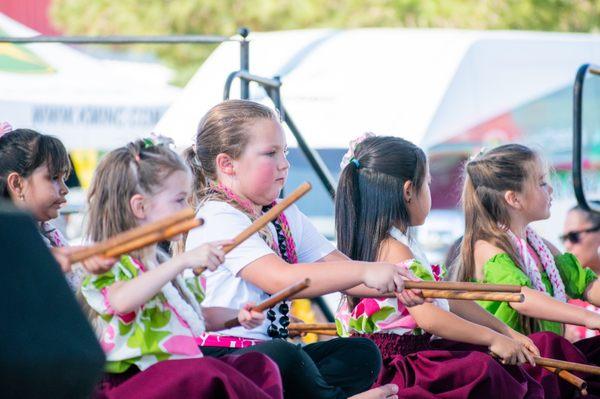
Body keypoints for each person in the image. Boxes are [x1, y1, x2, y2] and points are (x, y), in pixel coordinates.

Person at [185, 99, 411, 399]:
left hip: (268, 359)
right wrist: (366, 270)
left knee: (360, 353)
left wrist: (400, 284)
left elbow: (338, 268)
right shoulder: (216, 215)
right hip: (223, 356)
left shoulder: (281, 212)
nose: (284, 164)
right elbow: (281, 279)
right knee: (284, 356)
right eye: (271, 153)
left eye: (285, 153)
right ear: (227, 164)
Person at [334, 134, 543, 398]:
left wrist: (504, 331)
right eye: (428, 184)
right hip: (400, 369)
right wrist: (493, 339)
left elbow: (449, 297)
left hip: (399, 359)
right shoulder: (394, 249)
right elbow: (431, 318)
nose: (430, 191)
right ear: (409, 191)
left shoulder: (386, 243)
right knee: (484, 369)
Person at [81, 138, 283, 399]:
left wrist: (239, 315)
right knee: (205, 373)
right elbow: (120, 301)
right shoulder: (109, 261)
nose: (189, 211)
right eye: (179, 201)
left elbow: (197, 315)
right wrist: (182, 261)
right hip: (130, 381)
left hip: (174, 374)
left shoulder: (159, 263)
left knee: (259, 366)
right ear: (140, 207)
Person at [455, 143, 600, 397]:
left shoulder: (543, 247)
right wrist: (590, 318)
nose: (551, 188)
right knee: (549, 343)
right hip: (511, 371)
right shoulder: (487, 247)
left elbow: (587, 284)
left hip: (543, 364)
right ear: (514, 198)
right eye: (542, 182)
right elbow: (521, 297)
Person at [0, 126, 114, 290]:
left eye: (63, 178)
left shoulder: (50, 235)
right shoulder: (9, 246)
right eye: (53, 178)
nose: (64, 189)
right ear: (17, 184)